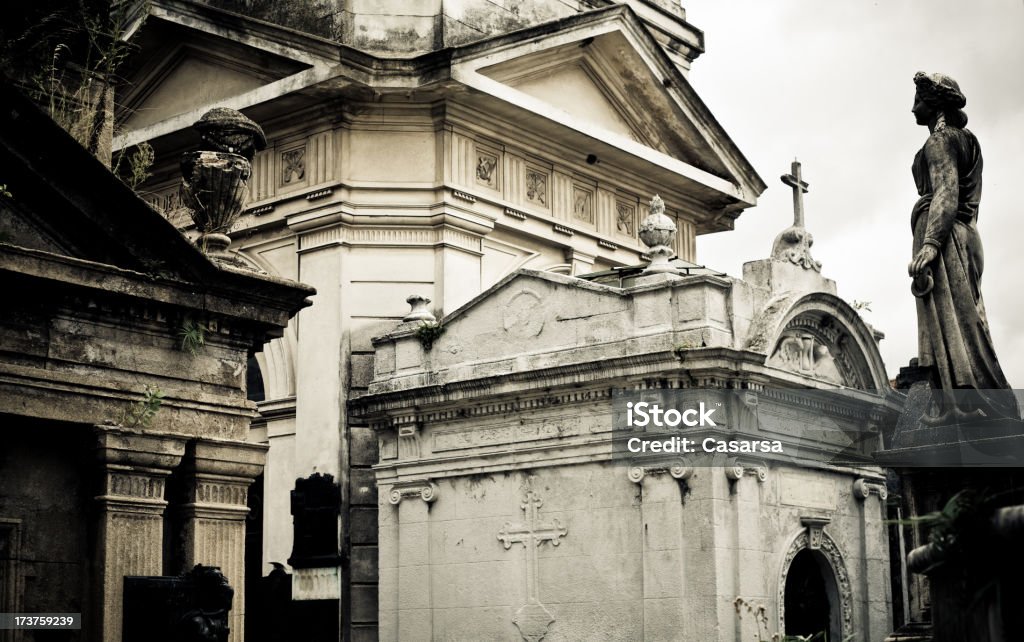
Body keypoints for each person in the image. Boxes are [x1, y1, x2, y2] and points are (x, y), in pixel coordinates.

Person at [907, 71, 1019, 423]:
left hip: (946, 237)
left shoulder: (940, 141)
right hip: (965, 235)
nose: (913, 108)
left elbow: (946, 191)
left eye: (919, 99)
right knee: (970, 320)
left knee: (957, 322)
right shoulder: (967, 140)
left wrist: (929, 244)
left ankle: (966, 403)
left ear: (934, 103)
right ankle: (973, 400)